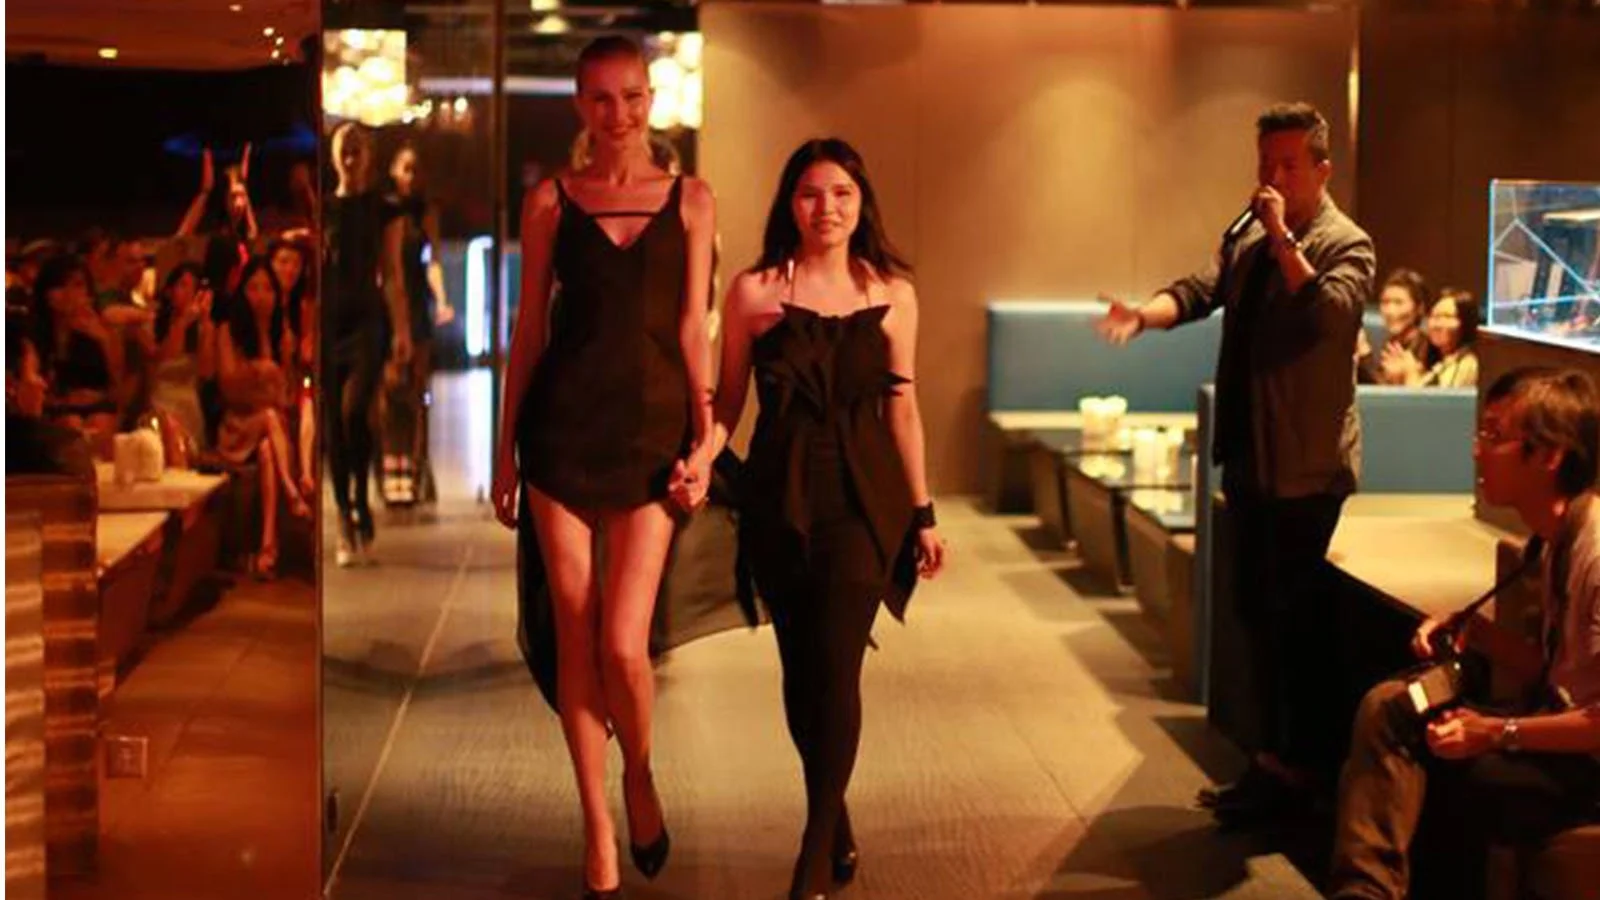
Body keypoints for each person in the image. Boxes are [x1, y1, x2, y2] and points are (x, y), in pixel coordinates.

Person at [671, 138, 948, 900]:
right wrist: (702, 458)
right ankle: (837, 817)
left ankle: (812, 859)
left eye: (841, 194)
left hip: (864, 502)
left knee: (837, 666)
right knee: (802, 673)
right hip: (780, 498)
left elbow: (904, 411)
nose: (827, 208)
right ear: (789, 204)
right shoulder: (754, 291)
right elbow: (728, 403)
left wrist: (923, 513)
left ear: (862, 205)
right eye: (810, 193)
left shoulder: (894, 293)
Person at [1096, 101, 1376, 822]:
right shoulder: (1249, 233)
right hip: (1251, 457)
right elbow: (1201, 289)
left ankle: (1299, 774)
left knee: (1293, 624)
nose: (1272, 177)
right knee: (1255, 616)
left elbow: (1327, 315)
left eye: (1288, 164)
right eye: (1264, 163)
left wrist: (1282, 235)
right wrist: (1144, 315)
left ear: (1322, 169)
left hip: (1308, 468)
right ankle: (1273, 762)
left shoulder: (1347, 243)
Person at [489, 35, 716, 900]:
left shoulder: (693, 200)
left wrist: (704, 439)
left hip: (652, 435)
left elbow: (693, 329)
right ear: (580, 105)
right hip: (561, 433)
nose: (617, 113)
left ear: (651, 99)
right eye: (600, 98)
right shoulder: (550, 200)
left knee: (625, 642)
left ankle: (640, 774)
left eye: (631, 96)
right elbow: (529, 330)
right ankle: (596, 827)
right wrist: (505, 450)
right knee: (577, 630)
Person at [1328, 367, 1600, 900]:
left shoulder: (1594, 553)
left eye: (1494, 435)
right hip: (1555, 726)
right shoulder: (1553, 539)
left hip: (1584, 768)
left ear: (1550, 455)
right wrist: (1475, 633)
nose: (1477, 451)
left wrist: (1494, 732)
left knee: (1441, 758)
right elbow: (1562, 671)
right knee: (1392, 706)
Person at [324, 121, 412, 566]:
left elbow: (393, 273)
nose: (350, 157)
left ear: (369, 157)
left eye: (357, 150)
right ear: (333, 155)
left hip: (367, 321)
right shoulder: (323, 210)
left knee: (354, 411)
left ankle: (360, 494)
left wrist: (402, 330)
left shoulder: (384, 208)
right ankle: (344, 513)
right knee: (333, 427)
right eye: (344, 149)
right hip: (328, 324)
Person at [216, 257, 311, 578]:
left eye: (267, 288)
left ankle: (268, 547)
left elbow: (285, 394)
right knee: (270, 418)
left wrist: (282, 356)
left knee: (269, 450)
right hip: (238, 424)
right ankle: (292, 491)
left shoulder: (280, 333)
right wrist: (259, 370)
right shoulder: (228, 331)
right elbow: (228, 386)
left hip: (272, 428)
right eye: (253, 288)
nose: (261, 296)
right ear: (242, 292)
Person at [1386, 287, 1481, 388]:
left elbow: (1435, 398)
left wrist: (1410, 373)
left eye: (1447, 316)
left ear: (1466, 322)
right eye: (1433, 316)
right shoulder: (1437, 362)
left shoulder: (1464, 364)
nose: (1437, 324)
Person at [1358, 267, 1432, 385]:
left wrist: (1365, 356)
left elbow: (1390, 393)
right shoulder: (1392, 343)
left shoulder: (1428, 348)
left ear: (1419, 308)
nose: (1390, 311)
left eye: (1399, 302)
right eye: (1385, 302)